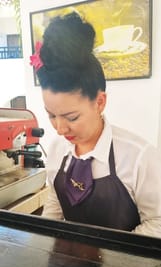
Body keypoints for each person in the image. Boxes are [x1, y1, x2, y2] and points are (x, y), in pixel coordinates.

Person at [30, 12, 161, 236]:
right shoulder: (57, 150)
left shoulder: (140, 156)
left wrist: (105, 258)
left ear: (100, 102)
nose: (60, 129)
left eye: (72, 117)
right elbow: (55, 208)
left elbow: (157, 223)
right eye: (51, 115)